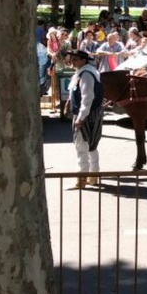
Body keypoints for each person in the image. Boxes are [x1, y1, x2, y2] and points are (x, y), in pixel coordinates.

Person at [63, 49, 104, 189]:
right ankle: (94, 176)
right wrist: (69, 101)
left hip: (87, 114)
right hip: (90, 113)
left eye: (75, 59)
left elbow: (87, 98)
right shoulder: (84, 72)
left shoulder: (86, 74)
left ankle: (82, 179)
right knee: (91, 146)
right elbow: (76, 91)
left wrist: (80, 118)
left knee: (81, 146)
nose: (73, 61)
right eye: (72, 58)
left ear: (83, 60)